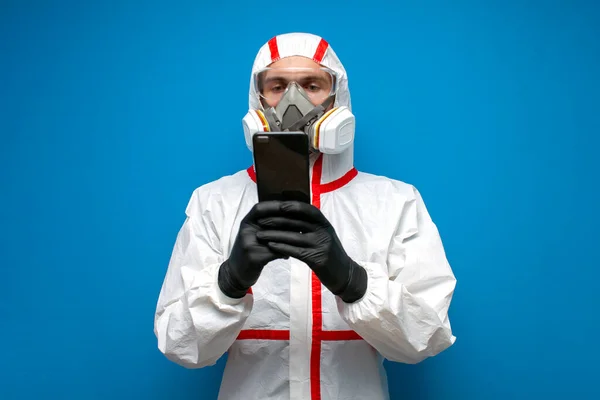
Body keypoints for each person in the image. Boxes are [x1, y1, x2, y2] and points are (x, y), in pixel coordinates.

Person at [154, 32, 457, 400]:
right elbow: (178, 344)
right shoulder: (214, 202)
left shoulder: (394, 202)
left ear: (337, 97)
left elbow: (427, 338)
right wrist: (228, 283)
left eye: (312, 84)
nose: (292, 100)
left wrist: (354, 282)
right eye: (277, 85)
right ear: (258, 98)